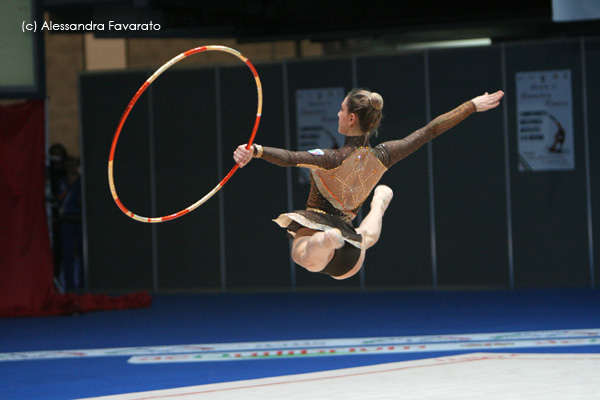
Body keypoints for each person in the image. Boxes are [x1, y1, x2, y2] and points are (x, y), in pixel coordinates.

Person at [234, 88, 504, 280]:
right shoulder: (384, 155)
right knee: (365, 237)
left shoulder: (331, 158)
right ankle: (378, 205)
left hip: (324, 231)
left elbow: (290, 158)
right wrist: (472, 105)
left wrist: (255, 150)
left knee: (303, 255)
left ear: (351, 118)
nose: (338, 114)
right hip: (351, 256)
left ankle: (326, 240)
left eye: (341, 110)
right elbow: (430, 130)